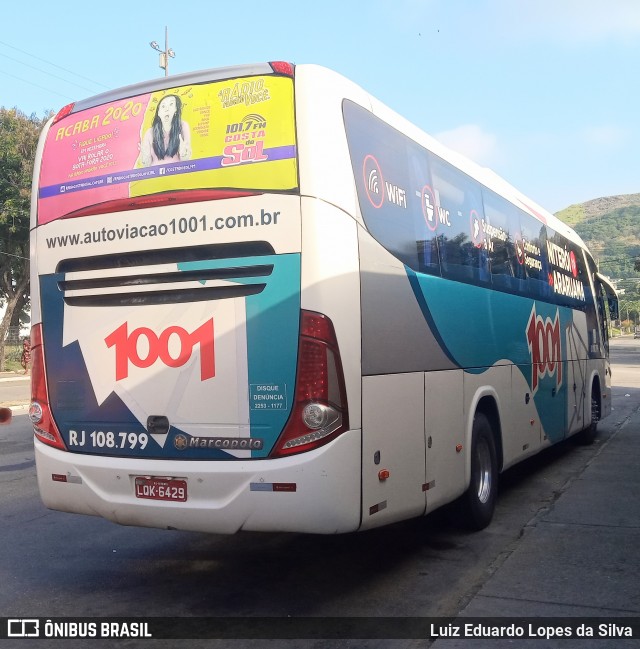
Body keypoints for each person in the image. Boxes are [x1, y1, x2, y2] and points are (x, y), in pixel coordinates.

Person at [138, 94, 191, 166]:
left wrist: (184, 154)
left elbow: (186, 159)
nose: (167, 109)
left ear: (176, 109)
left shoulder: (183, 126)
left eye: (171, 104)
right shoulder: (150, 133)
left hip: (177, 173)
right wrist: (145, 157)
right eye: (163, 106)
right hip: (156, 175)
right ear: (158, 113)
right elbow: (147, 165)